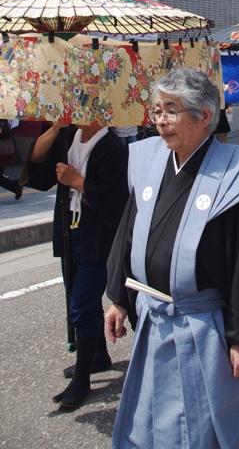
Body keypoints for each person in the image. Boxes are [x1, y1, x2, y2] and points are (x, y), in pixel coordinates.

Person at [105, 69, 239, 449]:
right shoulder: (148, 162)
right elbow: (129, 233)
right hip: (155, 323)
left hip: (204, 329)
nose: (161, 121)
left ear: (204, 115)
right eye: (157, 110)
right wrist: (119, 298)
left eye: (171, 111)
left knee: (207, 426)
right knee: (152, 421)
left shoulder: (237, 177)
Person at [26, 122, 128, 410]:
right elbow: (36, 164)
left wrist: (79, 182)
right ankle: (98, 356)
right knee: (76, 293)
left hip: (98, 236)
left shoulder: (112, 147)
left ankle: (82, 377)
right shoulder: (68, 136)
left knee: (82, 302)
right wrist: (54, 128)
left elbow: (117, 203)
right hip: (69, 230)